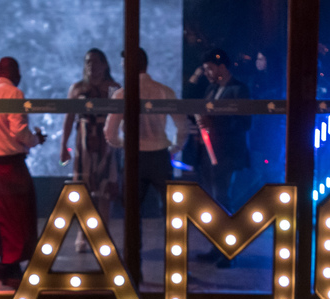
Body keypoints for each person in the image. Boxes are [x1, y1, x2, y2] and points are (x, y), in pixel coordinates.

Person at [103, 48, 189, 260]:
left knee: (132, 212)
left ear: (128, 66)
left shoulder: (122, 94)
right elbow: (183, 126)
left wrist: (123, 144)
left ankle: (133, 258)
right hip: (160, 155)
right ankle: (176, 259)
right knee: (171, 211)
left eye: (123, 65)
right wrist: (175, 147)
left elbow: (109, 133)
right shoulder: (164, 91)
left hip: (134, 157)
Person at [0, 57, 47, 287]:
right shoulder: (14, 93)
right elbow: (18, 131)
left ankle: (5, 262)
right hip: (10, 163)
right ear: (15, 72)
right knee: (17, 215)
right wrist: (35, 140)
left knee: (1, 216)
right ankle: (12, 264)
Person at [60, 48, 122, 252]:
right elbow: (69, 118)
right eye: (88, 62)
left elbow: (120, 116)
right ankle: (82, 233)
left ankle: (103, 235)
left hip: (107, 141)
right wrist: (63, 146)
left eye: (95, 62)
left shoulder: (113, 88)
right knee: (83, 190)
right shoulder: (78, 88)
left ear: (104, 64)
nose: (91, 66)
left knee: (105, 190)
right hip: (84, 142)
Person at [194, 49, 251, 267]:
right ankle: (216, 246)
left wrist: (215, 124)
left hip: (228, 152)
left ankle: (227, 251)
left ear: (222, 67)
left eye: (209, 69)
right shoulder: (211, 89)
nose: (207, 73)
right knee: (213, 200)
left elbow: (245, 123)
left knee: (222, 199)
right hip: (210, 153)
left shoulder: (239, 89)